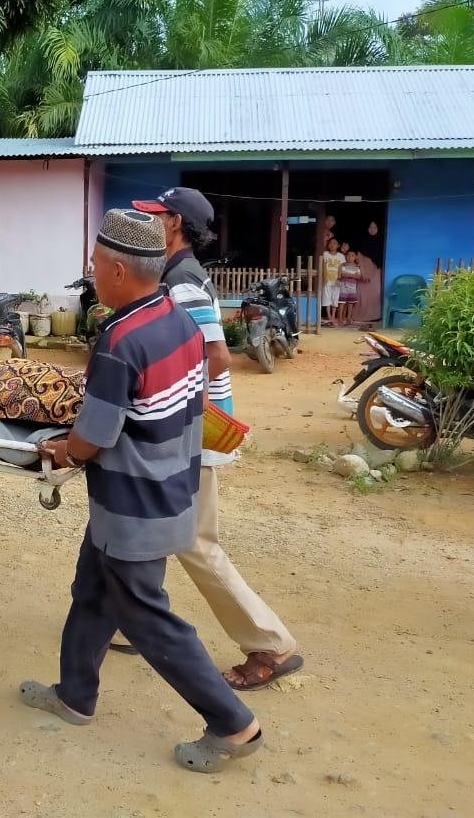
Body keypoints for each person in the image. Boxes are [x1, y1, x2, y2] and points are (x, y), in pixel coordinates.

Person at [20, 209, 263, 773]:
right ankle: (75, 695)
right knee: (92, 590)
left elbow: (95, 438)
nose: (91, 272)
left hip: (134, 506)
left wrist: (60, 449)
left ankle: (234, 724)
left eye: (96, 264)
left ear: (119, 272)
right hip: (169, 487)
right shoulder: (176, 318)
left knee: (150, 620)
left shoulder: (119, 340)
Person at [133, 189, 303, 689]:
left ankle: (270, 643)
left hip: (191, 431)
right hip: (187, 426)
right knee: (143, 526)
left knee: (194, 542)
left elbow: (217, 357)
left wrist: (176, 418)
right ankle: (126, 618)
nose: (148, 221)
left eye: (155, 215)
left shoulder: (182, 281)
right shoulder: (175, 274)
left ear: (175, 225)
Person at [354, 221, 384, 327]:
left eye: (375, 227)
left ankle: (374, 316)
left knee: (376, 293)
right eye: (370, 227)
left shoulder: (382, 242)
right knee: (361, 293)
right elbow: (359, 257)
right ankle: (359, 316)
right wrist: (363, 272)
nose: (372, 229)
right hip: (365, 270)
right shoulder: (363, 241)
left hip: (376, 271)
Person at [321, 238, 345, 327]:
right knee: (327, 297)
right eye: (330, 243)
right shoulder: (325, 254)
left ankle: (333, 315)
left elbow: (340, 268)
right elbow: (324, 267)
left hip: (336, 280)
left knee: (335, 297)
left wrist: (339, 278)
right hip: (327, 279)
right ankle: (329, 315)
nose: (332, 245)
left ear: (338, 246)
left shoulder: (341, 256)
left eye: (334, 243)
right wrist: (324, 278)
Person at [338, 250, 362, 327]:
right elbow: (342, 274)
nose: (350, 257)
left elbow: (358, 276)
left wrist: (348, 275)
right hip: (343, 288)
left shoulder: (357, 266)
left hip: (352, 288)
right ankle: (340, 319)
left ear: (355, 257)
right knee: (341, 303)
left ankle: (348, 318)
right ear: (346, 256)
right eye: (348, 255)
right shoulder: (343, 265)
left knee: (350, 304)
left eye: (352, 255)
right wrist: (352, 275)